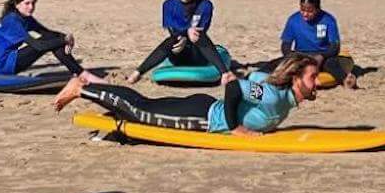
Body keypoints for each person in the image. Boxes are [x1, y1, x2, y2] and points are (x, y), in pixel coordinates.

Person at [60, 52, 325, 134]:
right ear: (295, 78)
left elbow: (257, 75)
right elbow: (233, 87)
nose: (316, 83)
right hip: (203, 118)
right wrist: (236, 128)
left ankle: (100, 99)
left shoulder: (282, 96)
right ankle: (81, 88)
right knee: (141, 111)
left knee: (146, 104)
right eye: (312, 77)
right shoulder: (273, 96)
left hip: (204, 106)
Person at [128, 0, 230, 82]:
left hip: (198, 54)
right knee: (172, 40)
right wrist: (185, 35)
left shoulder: (205, 4)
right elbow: (172, 29)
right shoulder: (169, 4)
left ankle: (225, 73)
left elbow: (202, 29)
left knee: (198, 35)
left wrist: (188, 35)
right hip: (178, 52)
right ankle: (138, 72)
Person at [0, 0, 99, 79]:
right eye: (27, 3)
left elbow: (47, 33)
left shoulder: (25, 18)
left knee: (52, 40)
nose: (31, 7)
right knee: (48, 43)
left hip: (11, 61)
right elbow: (39, 46)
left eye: (33, 3)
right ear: (17, 4)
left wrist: (66, 37)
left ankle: (79, 73)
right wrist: (63, 40)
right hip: (5, 65)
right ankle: (81, 74)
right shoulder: (12, 21)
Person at [277, 0, 353, 83]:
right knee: (279, 63)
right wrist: (292, 56)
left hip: (323, 57)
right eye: (302, 9)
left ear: (317, 9)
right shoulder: (293, 20)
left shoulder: (328, 20)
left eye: (309, 11)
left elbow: (335, 47)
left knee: (331, 64)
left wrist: (321, 56)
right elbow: (285, 45)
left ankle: (346, 79)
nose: (305, 14)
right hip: (301, 55)